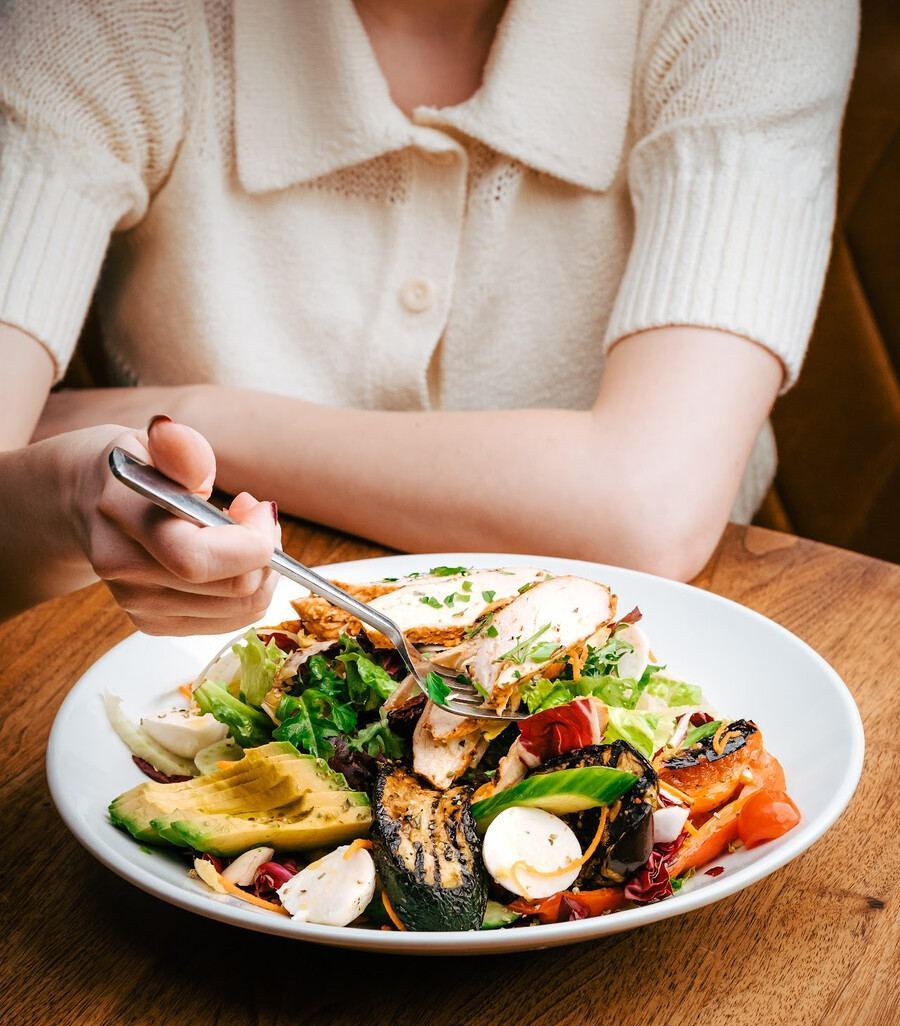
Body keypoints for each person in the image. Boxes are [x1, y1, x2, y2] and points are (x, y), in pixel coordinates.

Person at [0, 0, 858, 631]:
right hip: (167, 654)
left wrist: (195, 416)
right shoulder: (93, 18)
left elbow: (647, 506)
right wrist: (70, 495)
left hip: (685, 646)